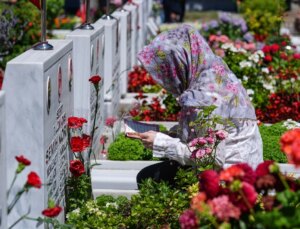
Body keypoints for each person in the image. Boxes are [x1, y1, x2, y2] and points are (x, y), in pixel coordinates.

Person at [132, 24, 263, 187]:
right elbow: (209, 134)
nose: (163, 80)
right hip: (248, 166)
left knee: (149, 179)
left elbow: (211, 157)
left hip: (230, 181)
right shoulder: (214, 72)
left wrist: (161, 143)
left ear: (178, 65)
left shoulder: (205, 96)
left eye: (165, 71)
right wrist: (170, 135)